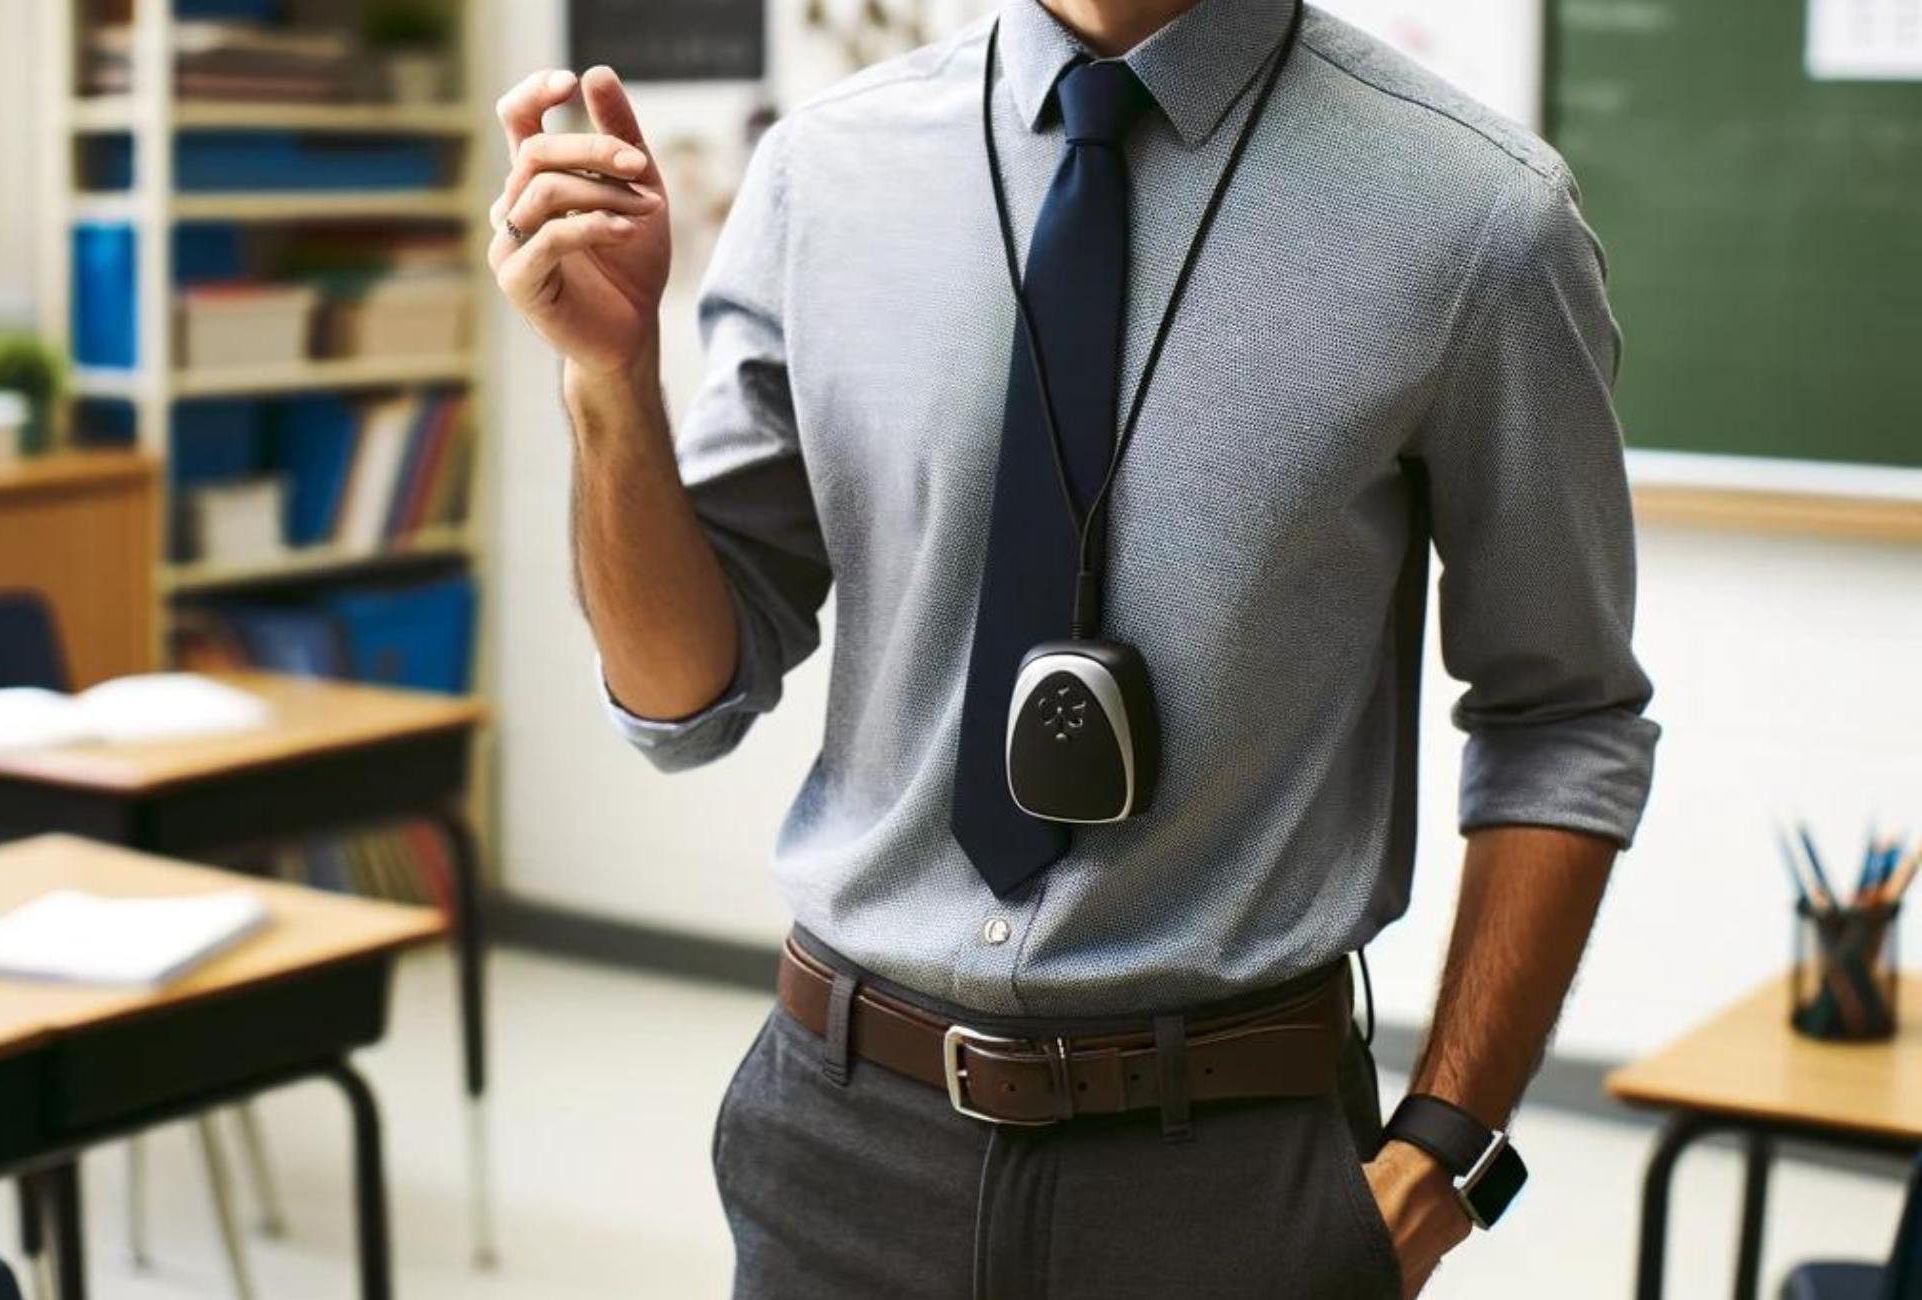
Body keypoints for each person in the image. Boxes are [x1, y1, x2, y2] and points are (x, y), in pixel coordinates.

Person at [487, 0, 1659, 1294]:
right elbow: (679, 696)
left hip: (1226, 1174)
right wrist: (606, 382)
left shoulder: (1477, 216)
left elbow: (1565, 718)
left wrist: (1441, 1155)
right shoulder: (823, 174)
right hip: (840, 1135)